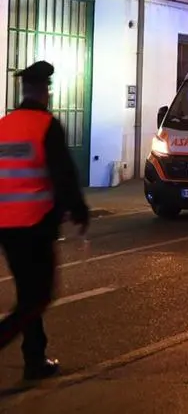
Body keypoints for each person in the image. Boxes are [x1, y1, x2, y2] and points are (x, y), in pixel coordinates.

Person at [0, 61, 90, 380]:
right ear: (45, 91)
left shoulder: (4, 125)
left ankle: (35, 360)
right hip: (34, 225)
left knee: (29, 294)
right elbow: (63, 173)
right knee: (39, 297)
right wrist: (78, 210)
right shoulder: (46, 125)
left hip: (6, 228)